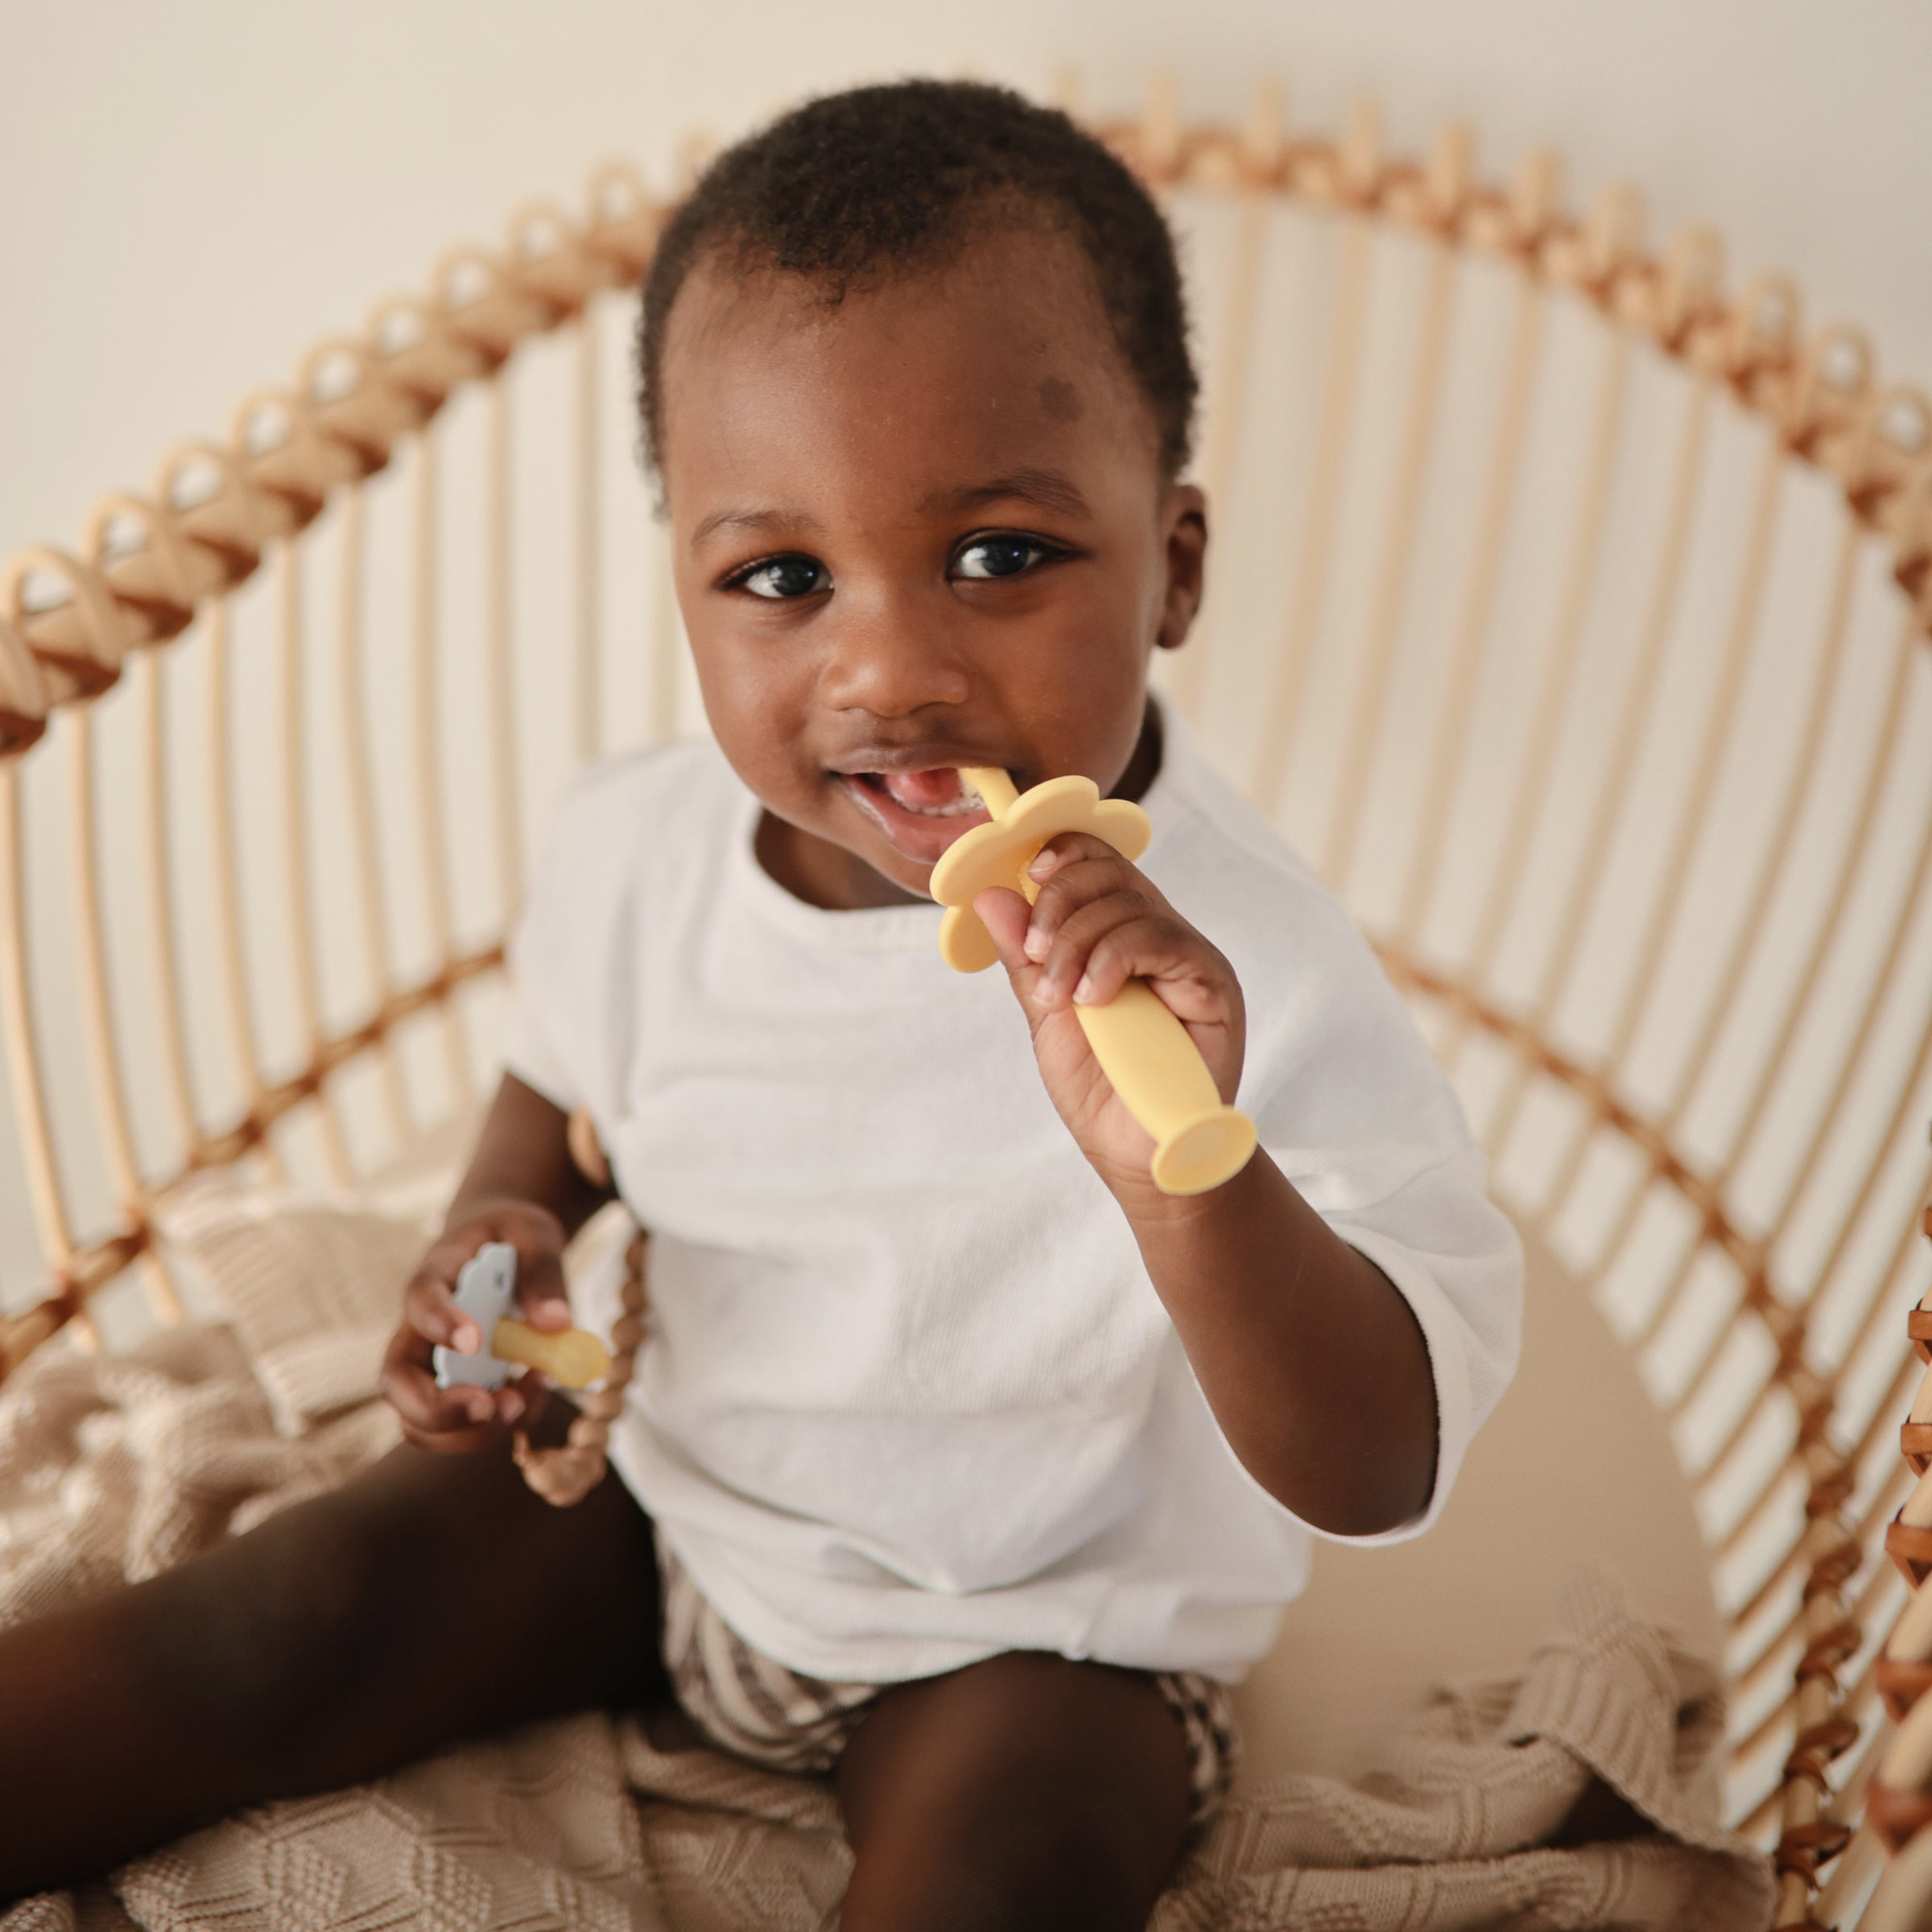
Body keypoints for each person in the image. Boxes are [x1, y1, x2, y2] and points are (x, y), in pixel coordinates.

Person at [0, 78, 1521, 1930]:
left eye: (1000, 557)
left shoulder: (1237, 973)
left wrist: (1185, 1176)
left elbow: (1372, 1466)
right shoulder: (638, 847)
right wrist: (510, 1227)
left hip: (1039, 1635)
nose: (890, 670)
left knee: (1011, 1867)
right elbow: (562, 1078)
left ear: (1173, 566)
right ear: (687, 587)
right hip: (671, 1513)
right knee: (273, 1623)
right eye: (782, 578)